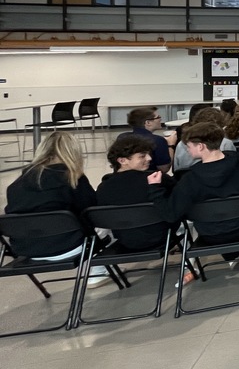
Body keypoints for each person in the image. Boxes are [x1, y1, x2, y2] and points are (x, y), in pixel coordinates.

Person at [5, 131, 109, 287]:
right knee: (109, 221)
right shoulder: (72, 177)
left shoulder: (16, 185)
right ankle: (97, 271)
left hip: (27, 249)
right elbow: (91, 210)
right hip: (68, 246)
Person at [163, 122, 239, 281]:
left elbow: (171, 213)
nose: (187, 150)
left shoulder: (189, 179)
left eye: (188, 146)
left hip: (210, 234)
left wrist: (155, 189)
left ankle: (230, 256)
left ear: (201, 146)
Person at [96, 135, 178, 251]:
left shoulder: (103, 188)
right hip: (163, 237)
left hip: (125, 241)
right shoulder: (158, 179)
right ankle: (188, 262)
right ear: (122, 160)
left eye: (149, 154)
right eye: (142, 156)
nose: (149, 158)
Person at [174, 107, 236, 174]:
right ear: (220, 126)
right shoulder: (226, 143)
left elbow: (176, 170)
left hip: (187, 180)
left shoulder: (182, 144)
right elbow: (232, 166)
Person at [119, 106, 176, 173]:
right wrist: (171, 145)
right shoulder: (158, 141)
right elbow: (164, 169)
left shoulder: (122, 137)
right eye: (158, 117)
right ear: (148, 123)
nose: (160, 119)